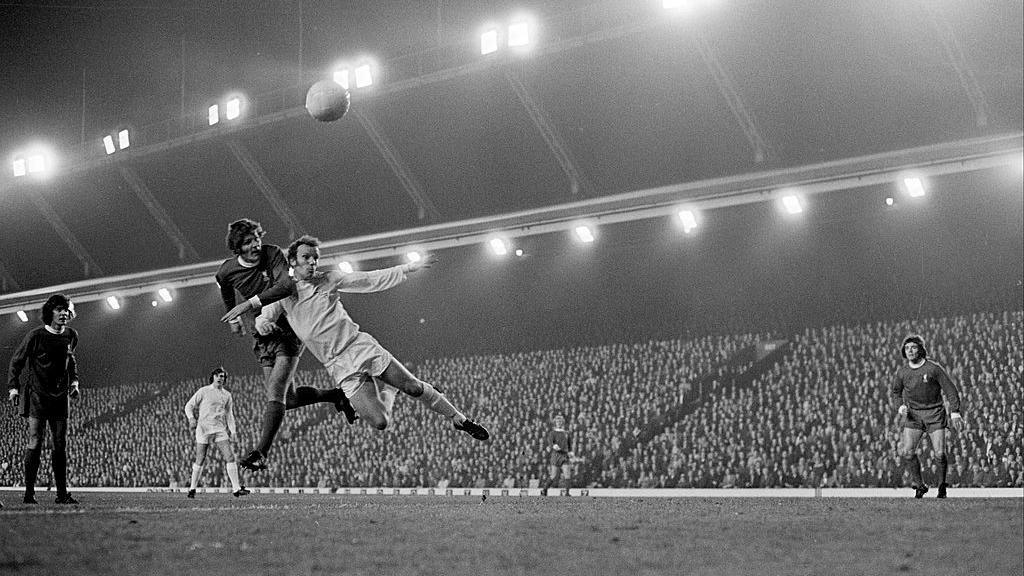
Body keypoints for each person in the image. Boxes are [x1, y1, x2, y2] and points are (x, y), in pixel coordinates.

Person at [222, 234, 490, 442]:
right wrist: (265, 325)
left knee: (413, 387)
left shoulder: (329, 279)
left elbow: (368, 280)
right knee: (380, 422)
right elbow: (263, 318)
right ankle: (390, 390)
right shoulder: (284, 293)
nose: (312, 262)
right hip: (338, 365)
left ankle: (458, 418)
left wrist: (408, 268)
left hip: (359, 346)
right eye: (306, 258)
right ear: (292, 261)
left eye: (315, 258)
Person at [215, 218, 357, 472]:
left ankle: (261, 452)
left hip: (289, 324)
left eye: (257, 239)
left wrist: (249, 305)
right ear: (237, 248)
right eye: (248, 242)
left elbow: (285, 286)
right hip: (262, 331)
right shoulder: (227, 270)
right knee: (288, 400)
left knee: (276, 391)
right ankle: (336, 395)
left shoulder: (272, 254)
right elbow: (224, 287)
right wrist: (233, 318)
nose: (255, 245)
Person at [7, 294, 81, 505]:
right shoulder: (35, 336)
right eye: (59, 309)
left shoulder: (71, 335)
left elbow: (70, 361)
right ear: (50, 312)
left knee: (60, 443)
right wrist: (13, 387)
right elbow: (17, 361)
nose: (63, 313)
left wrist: (74, 383)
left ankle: (62, 494)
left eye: (66, 309)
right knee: (35, 441)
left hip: (60, 396)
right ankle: (29, 493)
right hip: (37, 395)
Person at [891, 334, 964, 499]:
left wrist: (955, 412)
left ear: (920, 350)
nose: (910, 351)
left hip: (934, 413)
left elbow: (950, 389)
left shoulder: (933, 368)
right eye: (907, 348)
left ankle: (942, 486)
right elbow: (896, 392)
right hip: (914, 415)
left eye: (913, 347)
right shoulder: (902, 372)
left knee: (939, 453)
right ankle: (920, 485)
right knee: (907, 452)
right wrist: (900, 406)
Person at [184, 367, 250, 498]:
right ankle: (192, 489)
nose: (221, 378)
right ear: (213, 377)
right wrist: (191, 418)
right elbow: (188, 406)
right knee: (200, 458)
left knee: (230, 457)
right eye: (219, 376)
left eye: (223, 376)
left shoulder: (227, 395)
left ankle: (236, 489)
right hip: (204, 428)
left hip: (219, 429)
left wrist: (233, 431)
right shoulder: (203, 391)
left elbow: (229, 414)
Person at [541, 414, 573, 496]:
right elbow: (550, 442)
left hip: (564, 455)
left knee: (567, 474)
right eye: (557, 421)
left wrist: (571, 452)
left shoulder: (566, 433)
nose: (559, 423)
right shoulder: (552, 433)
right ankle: (544, 490)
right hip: (556, 455)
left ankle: (567, 493)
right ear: (555, 423)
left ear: (562, 422)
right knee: (553, 475)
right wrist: (553, 445)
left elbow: (569, 444)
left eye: (560, 421)